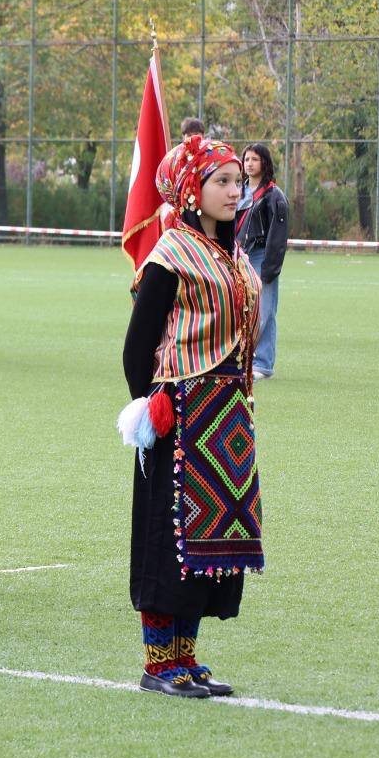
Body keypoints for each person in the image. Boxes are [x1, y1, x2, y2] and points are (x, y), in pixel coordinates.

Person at [119, 135, 263, 698]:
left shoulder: (236, 254)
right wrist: (149, 405)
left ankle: (186, 655)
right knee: (171, 537)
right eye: (221, 181)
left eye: (237, 181)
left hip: (226, 415)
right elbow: (137, 345)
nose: (233, 190)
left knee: (210, 542)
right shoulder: (170, 255)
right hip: (179, 414)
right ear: (190, 190)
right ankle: (159, 663)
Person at [236, 143, 287, 379]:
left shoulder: (274, 195)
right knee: (239, 310)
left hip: (261, 255)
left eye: (254, 159)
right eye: (246, 159)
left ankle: (263, 364)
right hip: (239, 255)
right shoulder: (237, 190)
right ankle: (241, 360)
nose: (249, 163)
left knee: (264, 311)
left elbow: (278, 236)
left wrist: (270, 267)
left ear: (264, 163)